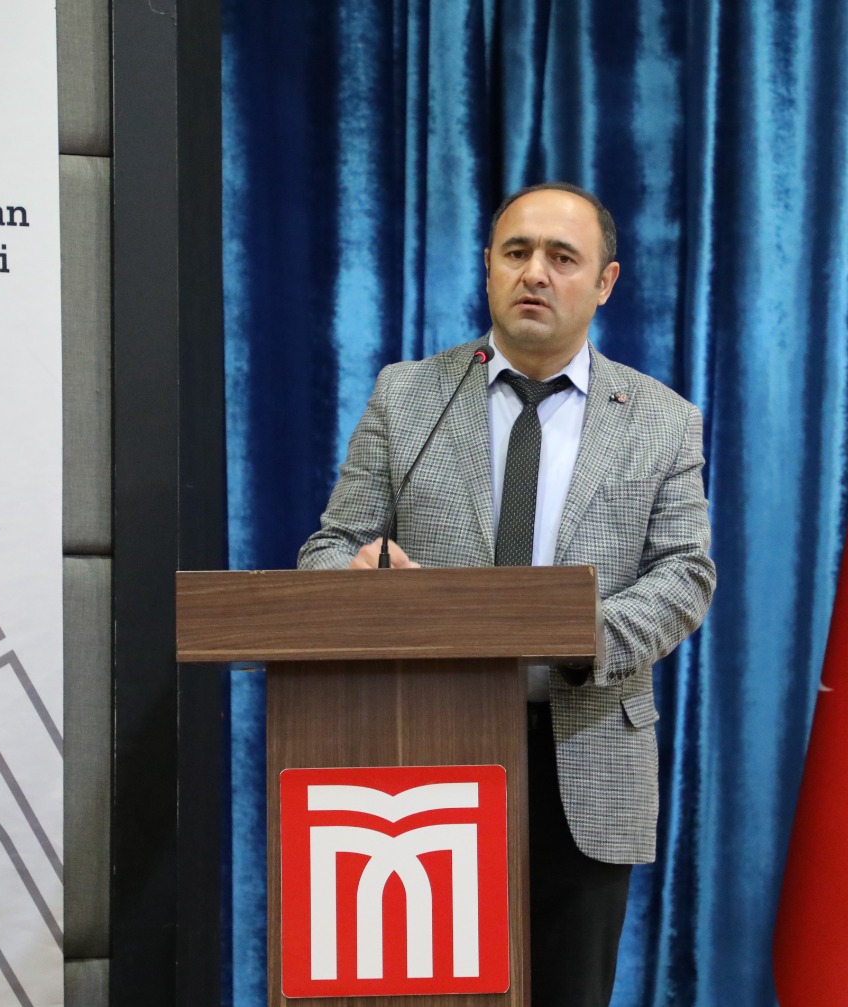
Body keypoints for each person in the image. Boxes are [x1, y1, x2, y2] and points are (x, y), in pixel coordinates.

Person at [298, 181, 715, 1006]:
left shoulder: (662, 419)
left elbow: (684, 575)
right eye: (517, 252)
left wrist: (573, 633)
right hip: (422, 750)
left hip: (584, 753)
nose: (536, 273)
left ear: (605, 282)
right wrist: (360, 577)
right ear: (488, 266)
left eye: (563, 257)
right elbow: (329, 548)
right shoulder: (408, 395)